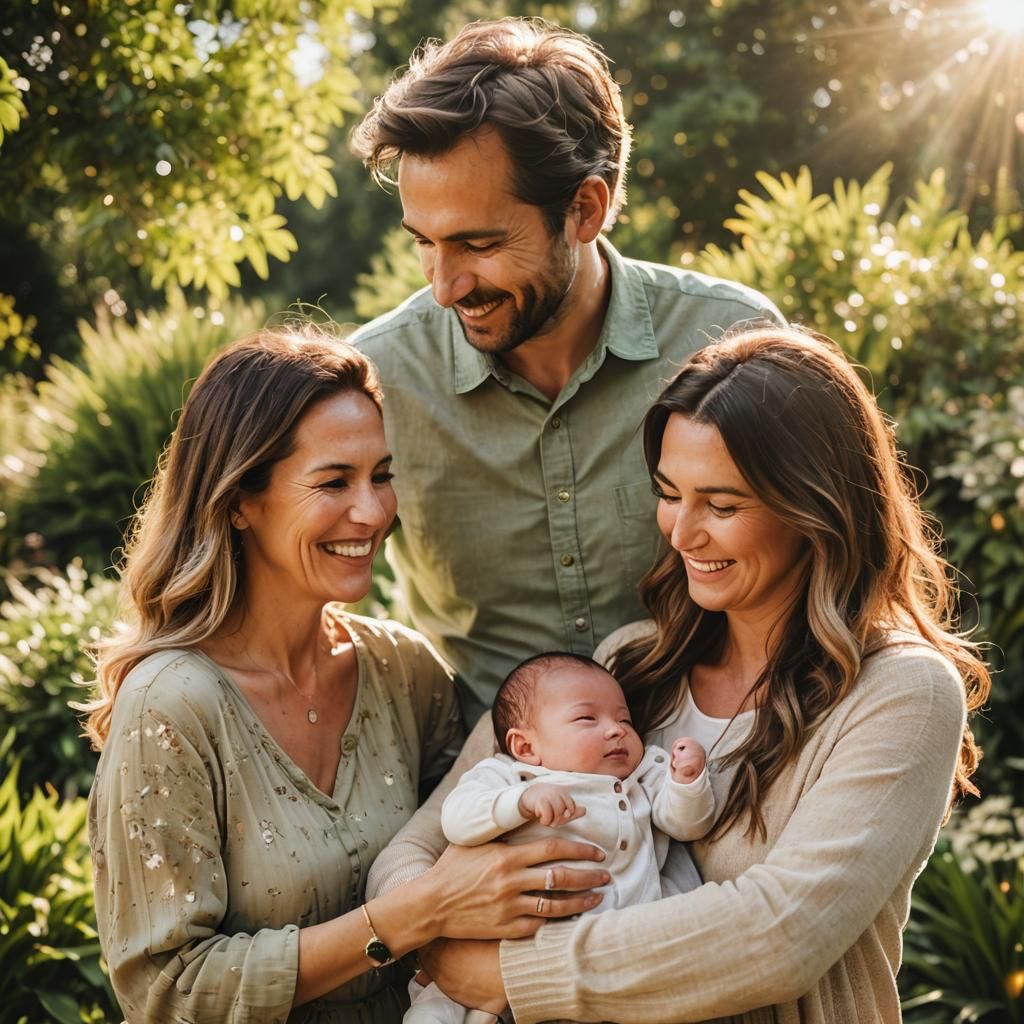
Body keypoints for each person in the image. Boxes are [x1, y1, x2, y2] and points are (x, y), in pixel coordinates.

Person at [365, 325, 991, 1024]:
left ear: (816, 510)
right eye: (669, 493)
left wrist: (511, 974)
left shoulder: (899, 693)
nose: (681, 533)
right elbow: (416, 847)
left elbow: (780, 936)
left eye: (722, 506)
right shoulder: (627, 667)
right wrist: (437, 934)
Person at [83, 327, 611, 1024]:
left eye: (381, 476)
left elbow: (480, 848)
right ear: (240, 500)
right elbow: (169, 991)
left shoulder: (404, 671)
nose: (373, 511)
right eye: (334, 482)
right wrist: (412, 915)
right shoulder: (169, 707)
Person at [349, 17, 785, 724]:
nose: (445, 288)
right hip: (486, 767)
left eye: (478, 245)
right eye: (424, 243)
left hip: (711, 752)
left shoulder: (732, 338)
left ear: (585, 209)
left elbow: (817, 562)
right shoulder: (380, 376)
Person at [406, 652, 714, 1024]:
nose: (616, 730)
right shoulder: (510, 776)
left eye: (624, 719)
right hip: (506, 945)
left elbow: (686, 826)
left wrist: (686, 783)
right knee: (443, 1007)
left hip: (607, 959)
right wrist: (519, 802)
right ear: (526, 748)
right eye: (587, 718)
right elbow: (456, 819)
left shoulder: (642, 774)